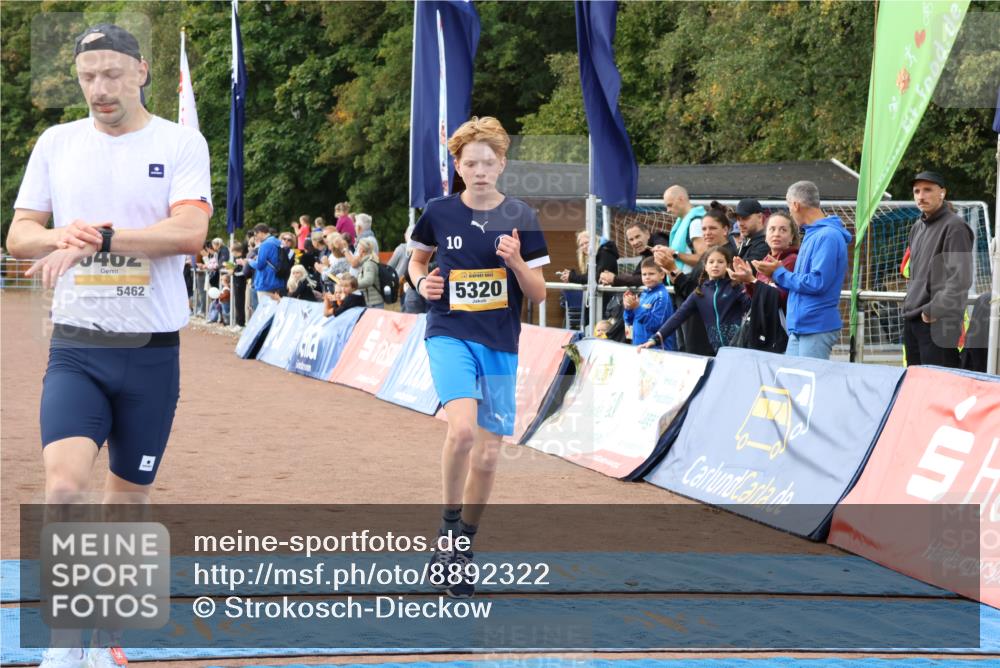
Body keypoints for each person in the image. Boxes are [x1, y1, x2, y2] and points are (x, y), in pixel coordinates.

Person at [6, 23, 211, 668]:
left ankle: (104, 636)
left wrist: (100, 237)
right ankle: (67, 645)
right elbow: (20, 236)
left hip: (152, 354)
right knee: (65, 489)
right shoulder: (57, 142)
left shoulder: (180, 142)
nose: (100, 88)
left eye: (112, 73)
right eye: (88, 75)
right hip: (75, 349)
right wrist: (58, 236)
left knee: (128, 500)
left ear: (142, 71)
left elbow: (189, 232)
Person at [407, 116, 548, 599]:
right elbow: (417, 259)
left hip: (500, 342)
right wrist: (418, 283)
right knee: (462, 430)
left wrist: (515, 262)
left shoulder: (522, 216)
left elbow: (539, 292)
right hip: (448, 331)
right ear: (457, 165)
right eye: (472, 163)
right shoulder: (439, 211)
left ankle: (462, 547)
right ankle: (447, 530)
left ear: (503, 164)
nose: (481, 170)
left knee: (488, 454)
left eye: (489, 162)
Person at [754, 181, 850, 360]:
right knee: (793, 384)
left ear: (796, 205)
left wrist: (778, 273)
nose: (790, 213)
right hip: (801, 326)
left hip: (815, 326)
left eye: (789, 208)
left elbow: (817, 282)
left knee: (810, 384)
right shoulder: (814, 234)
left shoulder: (827, 236)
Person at [902, 171, 974, 368]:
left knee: (941, 388)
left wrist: (932, 312)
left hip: (938, 323)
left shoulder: (956, 226)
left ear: (942, 193)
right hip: (913, 319)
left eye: (927, 190)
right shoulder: (917, 227)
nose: (921, 195)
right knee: (916, 385)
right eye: (917, 191)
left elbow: (961, 279)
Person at [654, 202, 735, 355]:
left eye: (712, 228)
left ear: (725, 230)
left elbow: (703, 293)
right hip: (695, 327)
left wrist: (674, 270)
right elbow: (692, 284)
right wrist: (669, 270)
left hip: (710, 334)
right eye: (704, 228)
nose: (707, 233)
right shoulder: (707, 255)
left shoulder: (729, 256)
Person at [641, 246, 749, 354]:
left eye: (720, 262)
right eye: (711, 262)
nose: (715, 265)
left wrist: (748, 283)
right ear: (705, 266)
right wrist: (656, 338)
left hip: (739, 349)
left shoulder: (736, 287)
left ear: (728, 265)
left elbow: (751, 306)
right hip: (717, 351)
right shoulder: (699, 292)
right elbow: (678, 316)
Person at [729, 212, 800, 352]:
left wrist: (752, 280)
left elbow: (780, 298)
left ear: (792, 237)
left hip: (782, 330)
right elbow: (757, 297)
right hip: (765, 328)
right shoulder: (765, 261)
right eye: (772, 229)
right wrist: (747, 281)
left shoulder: (792, 260)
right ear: (766, 236)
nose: (777, 234)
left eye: (783, 230)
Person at [623, 257, 676, 350]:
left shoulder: (662, 297)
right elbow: (629, 321)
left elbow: (655, 325)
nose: (647, 277)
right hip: (640, 348)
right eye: (644, 274)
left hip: (657, 352)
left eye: (651, 274)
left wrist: (636, 308)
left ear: (662, 275)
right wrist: (628, 308)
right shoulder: (644, 294)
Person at [599, 222, 669, 287]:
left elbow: (646, 278)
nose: (635, 242)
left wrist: (615, 279)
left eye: (637, 237)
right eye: (631, 239)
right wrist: (611, 278)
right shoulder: (646, 253)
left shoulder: (659, 244)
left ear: (647, 234)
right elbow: (636, 276)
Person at [663, 185, 707, 273]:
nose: (668, 210)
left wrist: (673, 253)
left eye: (670, 205)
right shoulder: (682, 223)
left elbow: (704, 259)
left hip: (693, 282)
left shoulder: (695, 223)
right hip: (684, 281)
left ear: (681, 199)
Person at [247, 223, 284, 301]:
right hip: (279, 280)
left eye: (255, 234)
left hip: (266, 281)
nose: (255, 237)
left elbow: (259, 265)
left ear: (260, 232)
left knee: (265, 311)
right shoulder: (278, 242)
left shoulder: (265, 244)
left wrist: (250, 261)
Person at [733, 198, 770, 267]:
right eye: (738, 219)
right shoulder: (748, 241)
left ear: (759, 217)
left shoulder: (766, 243)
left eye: (745, 218)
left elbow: (741, 268)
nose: (740, 223)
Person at [355, 237, 384, 308]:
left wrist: (353, 285)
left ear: (362, 250)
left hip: (374, 303)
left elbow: (368, 281)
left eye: (357, 249)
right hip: (372, 302)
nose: (357, 251)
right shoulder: (367, 262)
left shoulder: (368, 264)